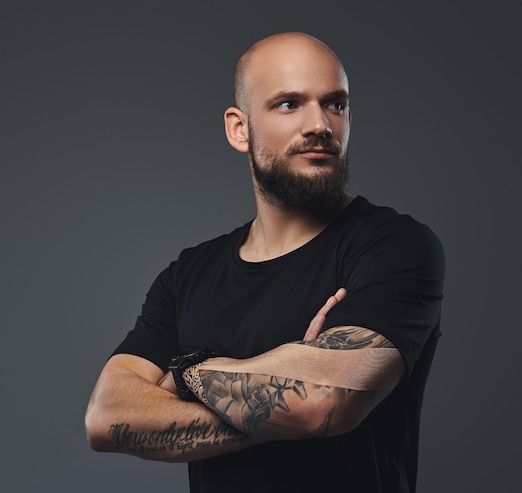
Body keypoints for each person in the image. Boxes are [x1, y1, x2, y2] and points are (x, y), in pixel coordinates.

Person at [85, 31, 445, 493]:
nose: (320, 124)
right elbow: (108, 417)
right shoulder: (188, 274)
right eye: (289, 104)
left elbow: (321, 404)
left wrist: (188, 372)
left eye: (335, 104)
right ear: (240, 128)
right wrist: (281, 388)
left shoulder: (394, 246)